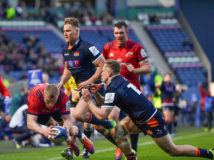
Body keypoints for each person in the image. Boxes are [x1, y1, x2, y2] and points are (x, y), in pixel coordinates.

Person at [82, 60, 214, 160]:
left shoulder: (113, 87)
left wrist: (88, 101)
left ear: (110, 72)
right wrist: (95, 94)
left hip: (151, 120)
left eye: (103, 71)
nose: (100, 73)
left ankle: (210, 154)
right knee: (117, 133)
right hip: (138, 118)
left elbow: (102, 115)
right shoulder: (117, 82)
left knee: (172, 150)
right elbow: (106, 104)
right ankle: (132, 157)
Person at [57, 17, 115, 158]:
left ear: (77, 31)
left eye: (68, 31)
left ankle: (104, 123)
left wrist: (89, 81)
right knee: (69, 120)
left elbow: (103, 65)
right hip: (79, 90)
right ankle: (71, 149)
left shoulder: (88, 48)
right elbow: (67, 68)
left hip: (94, 88)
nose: (65, 33)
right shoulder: (65, 50)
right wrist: (61, 82)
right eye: (64, 31)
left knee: (77, 116)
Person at [102, 21, 152, 159]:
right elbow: (103, 67)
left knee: (134, 121)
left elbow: (149, 68)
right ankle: (120, 144)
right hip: (114, 90)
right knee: (111, 117)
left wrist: (135, 69)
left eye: (121, 33)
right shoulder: (108, 47)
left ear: (127, 32)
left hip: (131, 92)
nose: (119, 35)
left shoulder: (136, 48)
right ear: (113, 33)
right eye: (116, 33)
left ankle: (133, 151)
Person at [26, 83, 94, 160]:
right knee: (54, 129)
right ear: (43, 95)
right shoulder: (35, 97)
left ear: (57, 97)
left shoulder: (63, 97)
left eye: (53, 101)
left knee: (69, 129)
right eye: (48, 101)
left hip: (56, 109)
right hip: (41, 112)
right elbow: (30, 123)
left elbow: (67, 120)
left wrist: (66, 128)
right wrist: (43, 131)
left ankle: (82, 138)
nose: (50, 105)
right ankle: (71, 142)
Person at [156, 72, 176, 137]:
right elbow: (157, 85)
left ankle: (170, 132)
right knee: (167, 118)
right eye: (167, 77)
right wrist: (159, 83)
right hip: (165, 102)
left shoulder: (172, 84)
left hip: (171, 102)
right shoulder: (163, 84)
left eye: (169, 77)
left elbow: (174, 92)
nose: (168, 78)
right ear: (164, 77)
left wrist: (174, 97)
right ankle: (165, 132)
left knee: (170, 118)